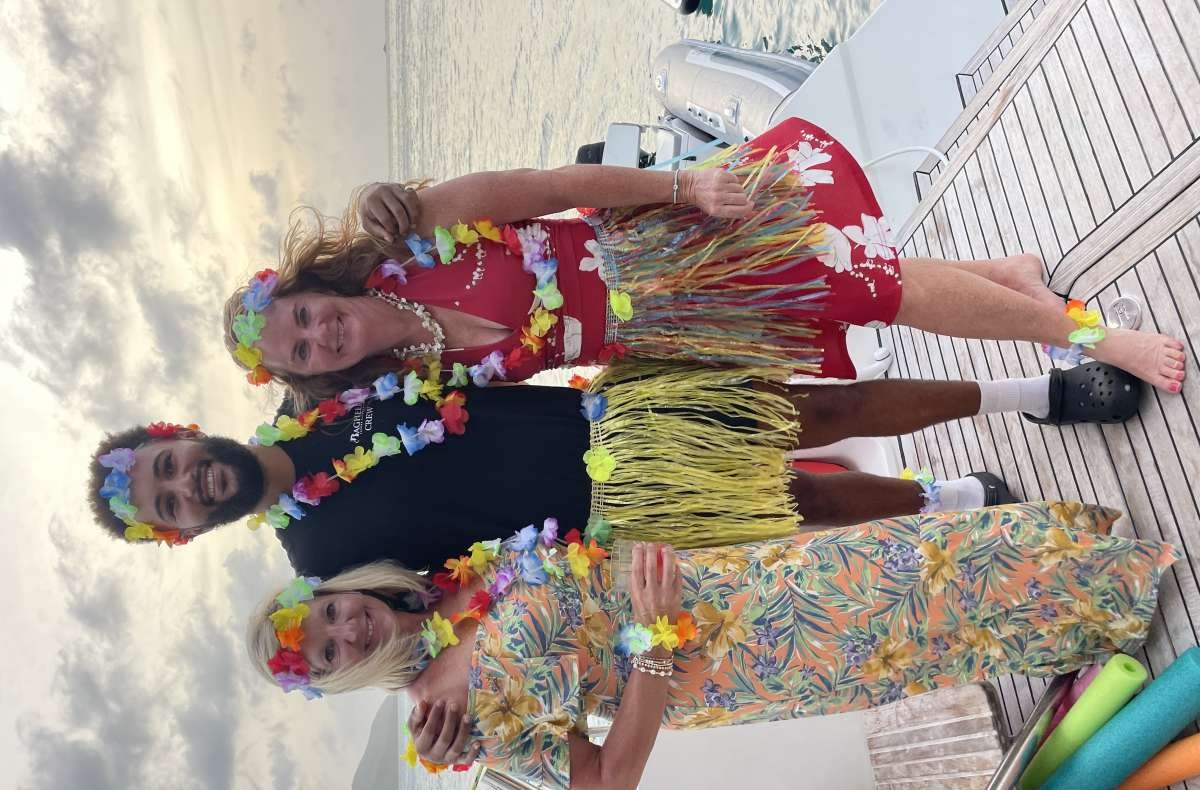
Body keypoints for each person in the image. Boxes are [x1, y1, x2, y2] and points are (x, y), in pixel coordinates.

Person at [221, 117, 1184, 412]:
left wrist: (684, 188)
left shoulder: (417, 232)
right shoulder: (404, 391)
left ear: (309, 288)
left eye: (300, 315)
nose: (316, 334)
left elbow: (558, 182)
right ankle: (1005, 276)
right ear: (310, 373)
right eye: (298, 351)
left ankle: (1095, 336)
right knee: (856, 289)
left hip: (671, 249)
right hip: (673, 337)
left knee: (875, 291)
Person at [245, 506, 1176, 790]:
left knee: (914, 551)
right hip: (730, 662)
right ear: (338, 679)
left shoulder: (445, 583)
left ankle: (1091, 553)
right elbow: (609, 780)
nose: (346, 632)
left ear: (338, 590)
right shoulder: (449, 716)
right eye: (326, 655)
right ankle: (1118, 593)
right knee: (917, 618)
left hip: (732, 578)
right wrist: (653, 640)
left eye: (329, 615)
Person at [87, 360, 1140, 578]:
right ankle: (954, 498)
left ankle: (1037, 394)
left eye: (171, 466)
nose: (189, 485)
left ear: (182, 432)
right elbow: (433, 612)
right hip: (619, 506)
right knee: (805, 500)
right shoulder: (318, 564)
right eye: (170, 503)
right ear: (181, 532)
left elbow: (421, 308)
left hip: (618, 408)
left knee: (829, 407)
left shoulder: (326, 385)